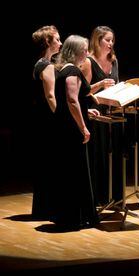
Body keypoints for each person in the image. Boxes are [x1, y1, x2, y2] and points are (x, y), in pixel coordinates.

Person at [53, 35, 99, 229]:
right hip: (71, 128)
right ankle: (75, 217)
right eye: (85, 50)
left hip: (64, 125)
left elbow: (69, 101)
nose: (87, 53)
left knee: (69, 171)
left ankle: (69, 215)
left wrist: (86, 110)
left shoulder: (63, 69)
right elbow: (72, 101)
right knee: (76, 171)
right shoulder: (71, 70)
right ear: (77, 51)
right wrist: (83, 127)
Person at [81, 26, 122, 206]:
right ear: (97, 41)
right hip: (95, 114)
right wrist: (101, 84)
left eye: (112, 40)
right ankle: (98, 197)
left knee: (114, 153)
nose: (110, 44)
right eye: (107, 40)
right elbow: (83, 90)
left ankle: (114, 195)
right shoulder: (89, 61)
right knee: (99, 154)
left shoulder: (114, 60)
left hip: (112, 112)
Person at [31, 25, 62, 220]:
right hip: (49, 121)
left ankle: (43, 208)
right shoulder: (47, 66)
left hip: (41, 120)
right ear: (48, 43)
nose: (60, 42)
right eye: (57, 39)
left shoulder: (39, 63)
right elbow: (51, 96)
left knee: (45, 164)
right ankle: (49, 208)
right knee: (51, 163)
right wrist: (61, 118)